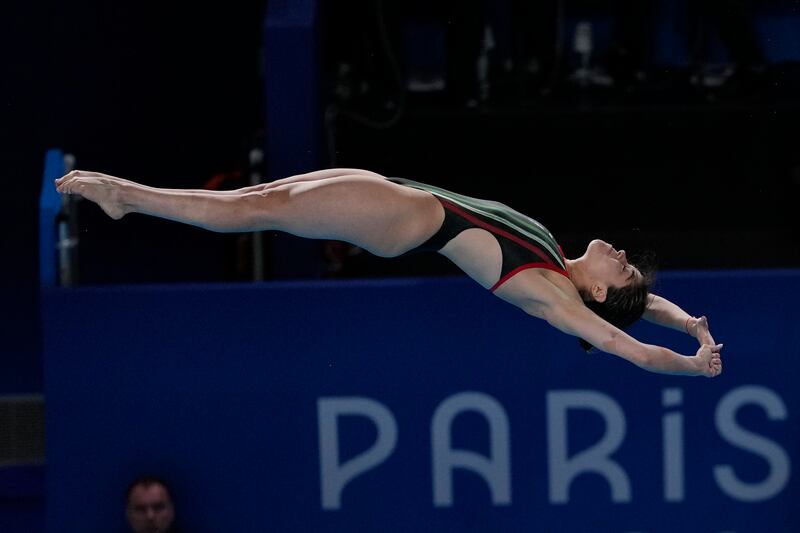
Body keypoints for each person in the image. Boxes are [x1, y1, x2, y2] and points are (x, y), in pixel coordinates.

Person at [55, 167, 723, 377]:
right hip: (401, 197)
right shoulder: (555, 254)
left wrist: (690, 365)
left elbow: (620, 341)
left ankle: (127, 198)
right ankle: (129, 198)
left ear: (598, 290)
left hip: (404, 219)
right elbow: (639, 312)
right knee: (262, 200)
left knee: (257, 209)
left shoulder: (551, 292)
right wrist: (688, 319)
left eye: (625, 268)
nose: (624, 253)